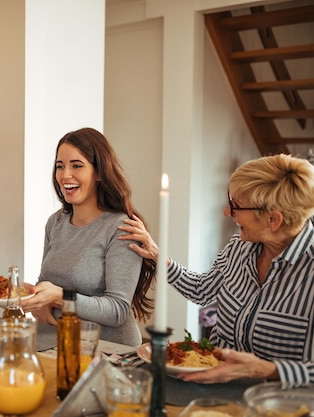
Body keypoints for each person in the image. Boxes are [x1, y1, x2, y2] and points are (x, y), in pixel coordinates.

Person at [119, 153, 314, 385]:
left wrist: (266, 370)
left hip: (279, 403)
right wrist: (157, 256)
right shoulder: (239, 247)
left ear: (273, 220)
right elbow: (202, 290)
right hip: (215, 391)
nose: (226, 212)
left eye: (235, 206)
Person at [20, 128, 156, 346]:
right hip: (55, 344)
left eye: (77, 165)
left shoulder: (121, 228)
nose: (65, 175)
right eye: (60, 166)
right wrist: (39, 301)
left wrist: (60, 298)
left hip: (108, 350)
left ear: (99, 172)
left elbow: (118, 310)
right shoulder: (55, 222)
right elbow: (46, 281)